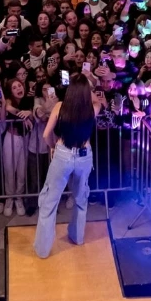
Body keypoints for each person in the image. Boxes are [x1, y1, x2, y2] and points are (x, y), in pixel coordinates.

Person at [34, 73, 101, 258]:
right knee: (81, 198)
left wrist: (53, 146)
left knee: (50, 201)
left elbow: (46, 134)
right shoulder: (93, 108)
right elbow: (97, 101)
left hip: (63, 153)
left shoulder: (59, 107)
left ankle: (43, 249)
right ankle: (77, 237)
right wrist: (88, 87)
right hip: (84, 155)